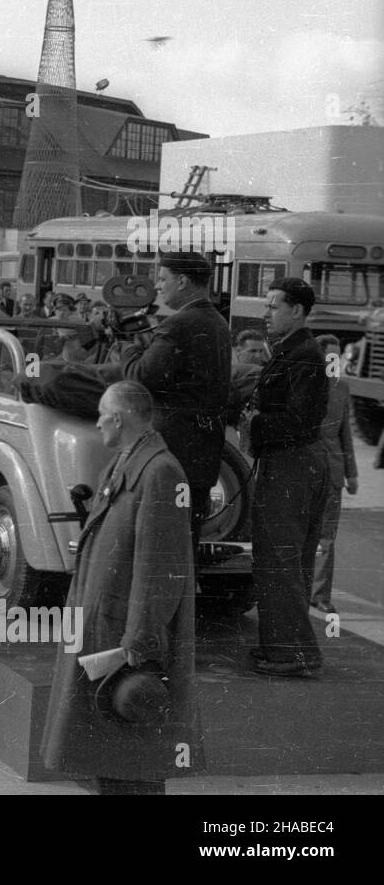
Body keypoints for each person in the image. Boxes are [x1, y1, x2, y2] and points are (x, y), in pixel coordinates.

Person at [42, 381, 200, 795]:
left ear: (119, 417)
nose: (96, 422)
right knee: (109, 761)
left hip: (122, 642)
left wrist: (138, 642)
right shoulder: (129, 463)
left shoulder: (160, 472)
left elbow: (161, 569)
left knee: (130, 757)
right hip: (104, 632)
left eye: (101, 414)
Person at [244, 278, 329, 677]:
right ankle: (284, 648)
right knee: (288, 561)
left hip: (291, 465)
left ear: (296, 311)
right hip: (296, 462)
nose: (265, 313)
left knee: (279, 559)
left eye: (273, 306)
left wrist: (255, 423)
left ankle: (294, 654)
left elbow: (301, 419)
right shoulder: (296, 351)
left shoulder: (304, 355)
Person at [119, 251, 231, 544]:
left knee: (162, 539)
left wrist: (128, 345)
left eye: (162, 278)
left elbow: (141, 377)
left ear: (182, 281)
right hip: (201, 452)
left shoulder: (179, 324)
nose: (157, 285)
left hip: (173, 449)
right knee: (185, 539)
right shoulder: (217, 322)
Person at [310, 334, 357, 615]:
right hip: (305, 471)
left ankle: (321, 595)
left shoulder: (342, 388)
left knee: (327, 537)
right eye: (329, 356)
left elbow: (346, 435)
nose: (334, 362)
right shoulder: (305, 385)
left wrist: (352, 473)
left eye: (337, 357)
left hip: (334, 473)